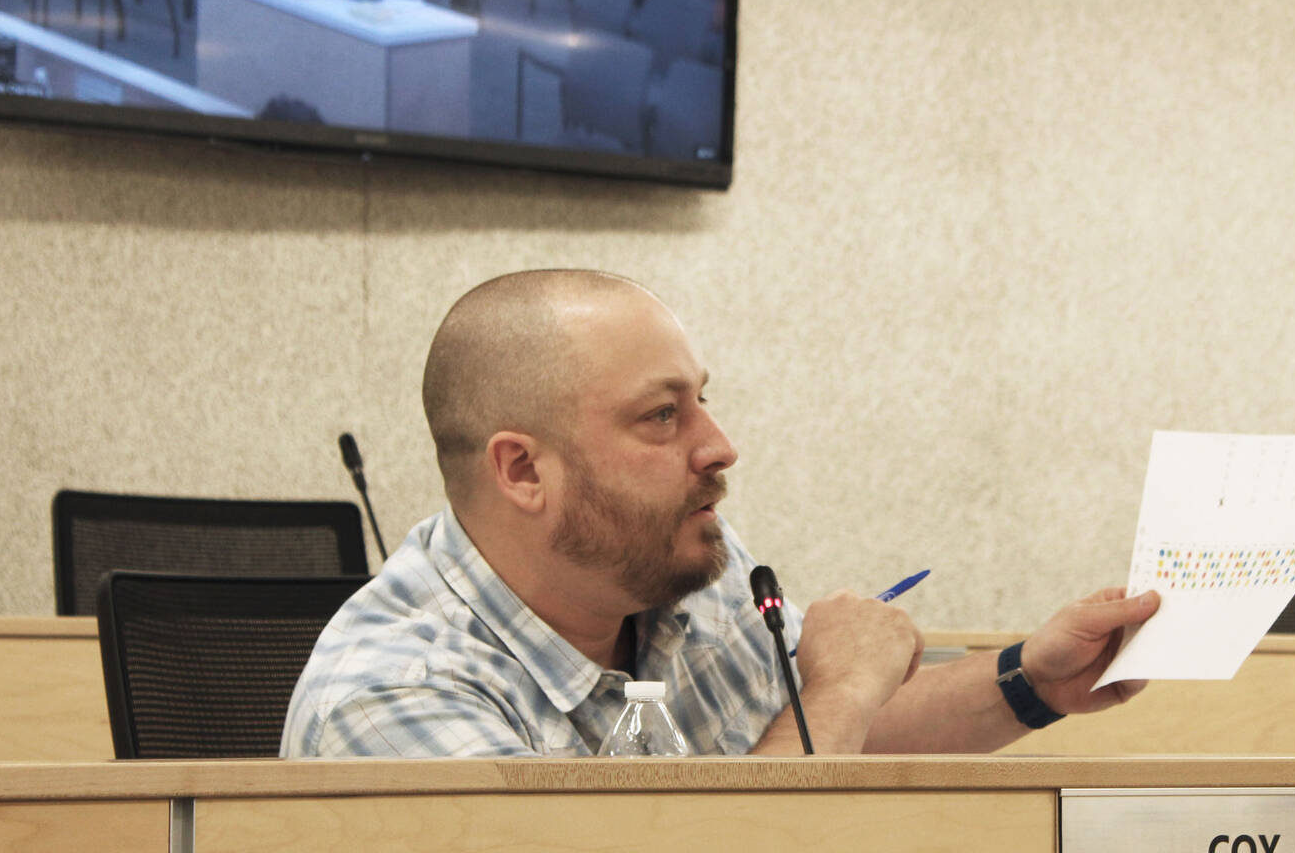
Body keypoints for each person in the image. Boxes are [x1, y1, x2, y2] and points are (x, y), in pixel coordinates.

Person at [283, 270, 1160, 759]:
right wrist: (839, 684)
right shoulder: (395, 698)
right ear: (522, 469)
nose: (720, 446)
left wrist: (1030, 680)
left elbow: (812, 748)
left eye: (701, 403)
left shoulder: (680, 572)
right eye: (662, 416)